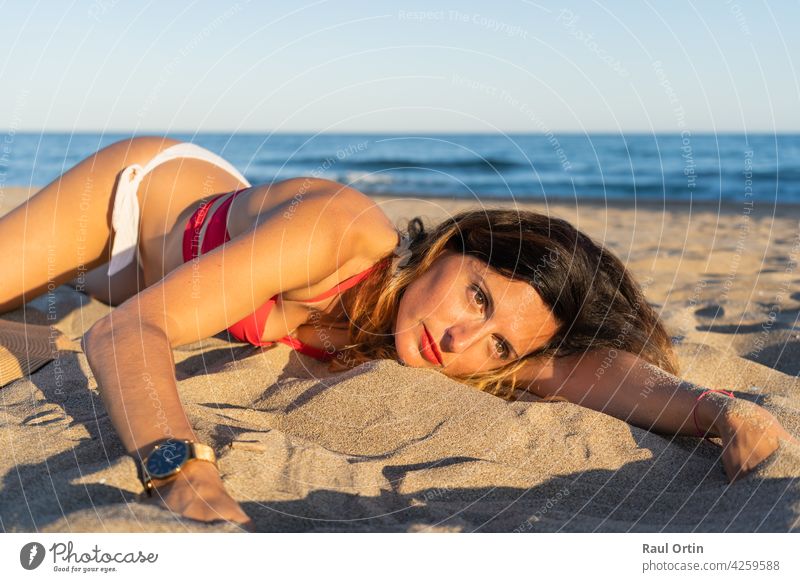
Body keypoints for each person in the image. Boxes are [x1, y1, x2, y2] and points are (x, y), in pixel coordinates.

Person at [1, 136, 796, 531]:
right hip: (127, 212)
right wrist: (183, 472)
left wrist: (716, 410)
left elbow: (574, 374)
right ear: (451, 249)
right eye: (478, 298)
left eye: (497, 346)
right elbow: (126, 335)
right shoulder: (342, 232)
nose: (461, 340)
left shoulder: (418, 338)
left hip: (141, 282)